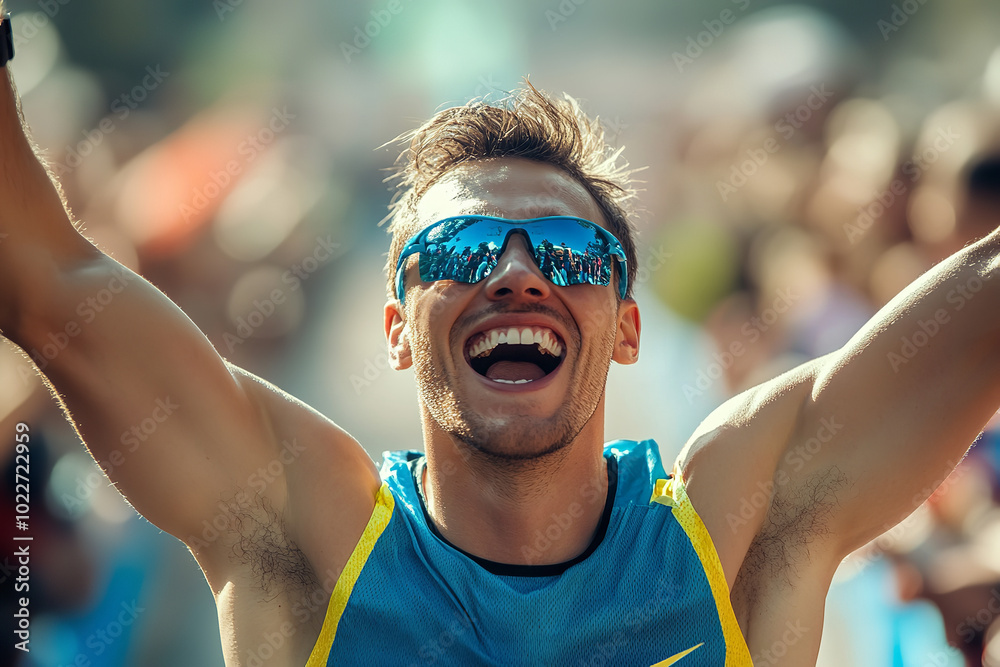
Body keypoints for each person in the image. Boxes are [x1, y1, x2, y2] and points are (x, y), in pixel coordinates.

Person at [2, 12, 1000, 665]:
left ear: (626, 328)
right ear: (398, 329)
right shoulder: (309, 540)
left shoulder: (737, 529)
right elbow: (45, 282)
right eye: (460, 247)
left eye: (569, 254)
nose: (516, 272)